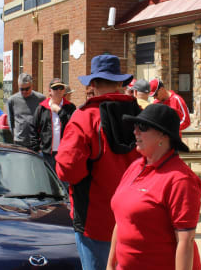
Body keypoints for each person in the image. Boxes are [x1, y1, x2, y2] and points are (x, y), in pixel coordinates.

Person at [56, 53, 142, 270]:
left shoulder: (84, 117)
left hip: (96, 221)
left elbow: (67, 170)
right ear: (121, 82)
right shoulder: (142, 116)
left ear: (93, 83)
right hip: (138, 218)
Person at [108, 104, 201, 270]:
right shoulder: (135, 166)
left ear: (163, 135)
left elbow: (185, 241)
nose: (135, 131)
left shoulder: (180, 179)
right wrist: (110, 265)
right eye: (135, 126)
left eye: (142, 127)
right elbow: (121, 222)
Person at [31, 78, 76, 171]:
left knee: (64, 182)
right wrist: (37, 149)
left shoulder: (70, 107)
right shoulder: (41, 108)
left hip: (64, 153)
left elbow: (73, 126)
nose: (58, 90)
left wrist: (59, 111)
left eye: (61, 88)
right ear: (50, 91)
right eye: (55, 88)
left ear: (64, 90)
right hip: (46, 153)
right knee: (48, 182)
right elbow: (33, 129)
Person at [6, 73, 46, 149]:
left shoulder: (41, 99)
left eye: (27, 89)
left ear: (32, 86)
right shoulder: (12, 100)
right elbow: (10, 121)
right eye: (21, 89)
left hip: (36, 141)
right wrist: (16, 135)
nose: (24, 91)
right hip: (19, 141)